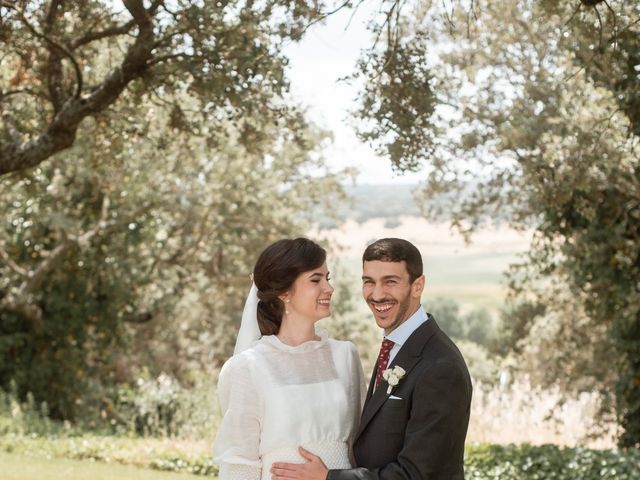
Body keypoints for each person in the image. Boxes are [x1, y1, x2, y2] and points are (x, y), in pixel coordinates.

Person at [271, 238, 472, 480]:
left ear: (417, 286)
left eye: (390, 282)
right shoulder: (396, 345)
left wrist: (328, 478)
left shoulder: (440, 367)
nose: (377, 295)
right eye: (369, 282)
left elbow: (416, 474)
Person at [213, 237, 366, 480]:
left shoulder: (345, 356)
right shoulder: (248, 367)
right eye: (316, 280)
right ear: (284, 292)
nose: (328, 288)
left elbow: (360, 444)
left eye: (328, 278)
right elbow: (239, 462)